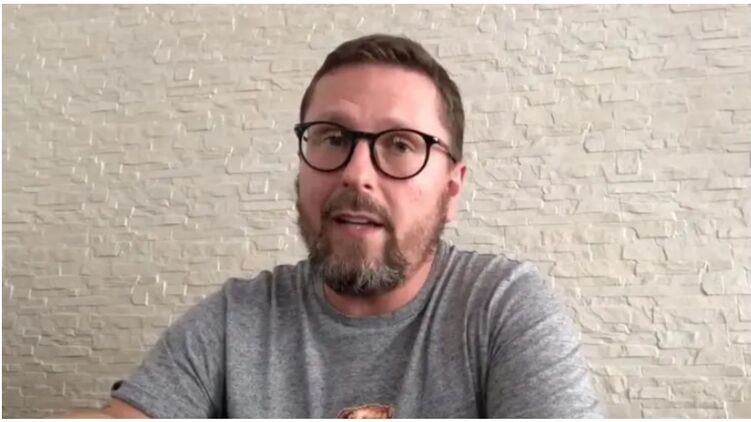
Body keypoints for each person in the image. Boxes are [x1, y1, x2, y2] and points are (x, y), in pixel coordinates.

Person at [61, 33, 601, 418]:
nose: (356, 173)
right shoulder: (236, 321)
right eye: (333, 138)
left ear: (451, 190)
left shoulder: (500, 309)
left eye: (400, 144)